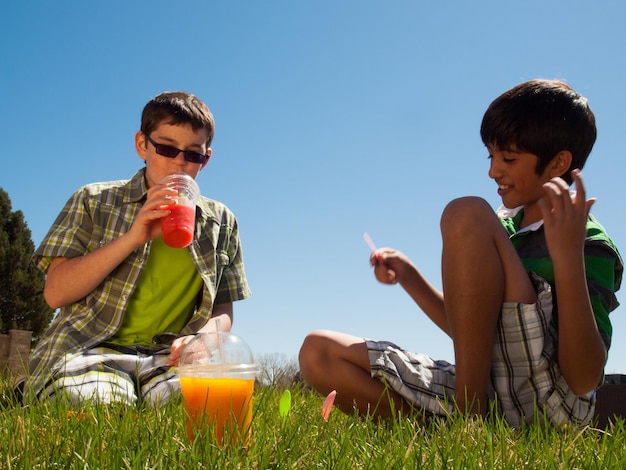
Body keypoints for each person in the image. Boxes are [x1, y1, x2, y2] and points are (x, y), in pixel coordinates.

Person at [298, 79, 623, 428]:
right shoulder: (503, 229)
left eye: (508, 158)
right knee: (317, 352)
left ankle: (468, 423)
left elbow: (584, 378)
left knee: (465, 212)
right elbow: (469, 333)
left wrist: (568, 258)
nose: (493, 170)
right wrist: (409, 276)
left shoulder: (588, 241)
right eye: (491, 155)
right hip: (488, 391)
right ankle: (442, 434)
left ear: (558, 163)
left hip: (549, 409)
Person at [23, 91, 251, 404]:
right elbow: (55, 293)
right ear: (142, 145)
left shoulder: (222, 222)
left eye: (193, 155)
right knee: (99, 406)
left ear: (206, 159)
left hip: (168, 358)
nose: (179, 163)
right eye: (167, 148)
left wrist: (205, 338)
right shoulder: (93, 200)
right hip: (88, 348)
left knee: (210, 406)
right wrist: (133, 237)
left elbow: (222, 309)